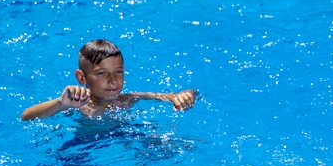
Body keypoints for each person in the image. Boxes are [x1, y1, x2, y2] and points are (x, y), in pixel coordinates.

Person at [20, 39, 199, 121]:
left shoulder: (128, 99)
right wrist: (61, 103)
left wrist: (184, 95)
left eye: (118, 72)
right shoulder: (78, 105)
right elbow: (27, 116)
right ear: (81, 77)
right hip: (84, 146)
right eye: (102, 73)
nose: (113, 80)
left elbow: (173, 95)